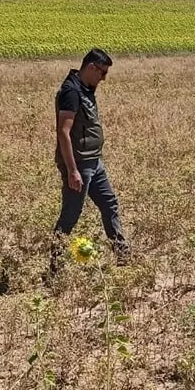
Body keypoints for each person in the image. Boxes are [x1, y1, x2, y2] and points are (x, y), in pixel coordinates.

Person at [52, 48, 130, 262]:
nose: (104, 78)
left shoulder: (86, 88)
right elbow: (63, 133)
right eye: (102, 73)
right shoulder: (71, 92)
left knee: (110, 203)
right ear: (91, 67)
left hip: (94, 161)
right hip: (79, 164)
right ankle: (55, 266)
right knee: (71, 215)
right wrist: (72, 170)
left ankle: (122, 255)